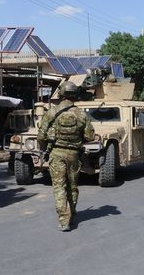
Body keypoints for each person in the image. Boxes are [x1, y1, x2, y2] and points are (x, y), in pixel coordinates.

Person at [38, 81, 94, 232]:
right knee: (72, 186)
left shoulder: (51, 112)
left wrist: (44, 151)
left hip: (56, 154)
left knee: (59, 187)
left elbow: (41, 136)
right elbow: (89, 137)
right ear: (75, 95)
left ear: (61, 94)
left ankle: (64, 220)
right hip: (74, 155)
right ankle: (73, 214)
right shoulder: (82, 114)